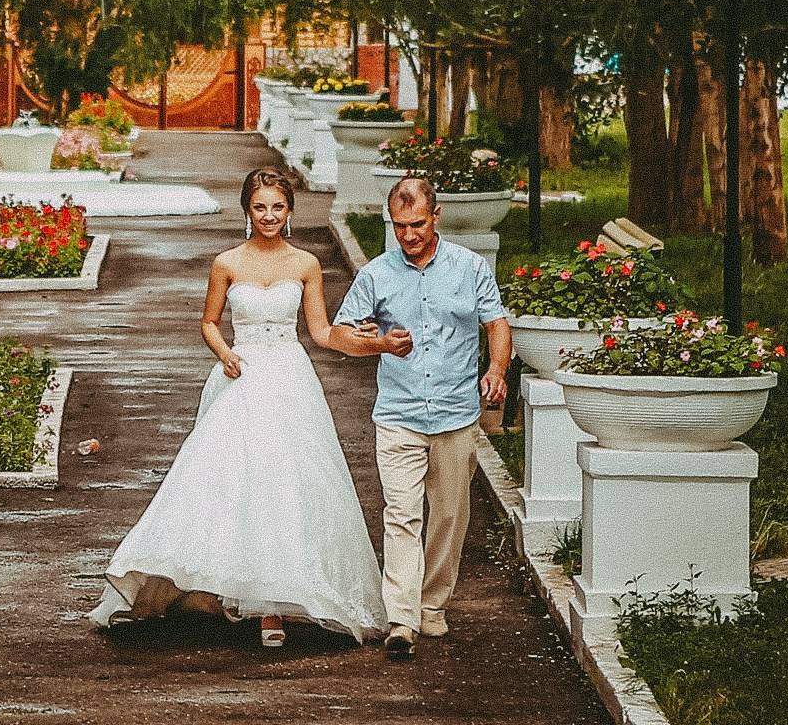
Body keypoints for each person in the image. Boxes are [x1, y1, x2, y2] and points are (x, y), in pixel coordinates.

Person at [91, 168, 391, 646]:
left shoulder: (306, 264)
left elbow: (320, 332)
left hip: (290, 378)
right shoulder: (226, 262)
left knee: (284, 483)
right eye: (260, 207)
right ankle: (176, 588)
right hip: (242, 373)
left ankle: (272, 605)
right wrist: (225, 352)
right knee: (220, 479)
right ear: (247, 211)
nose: (269, 216)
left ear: (290, 211)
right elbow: (209, 322)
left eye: (278, 207)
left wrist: (371, 344)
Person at [334, 173, 512, 659]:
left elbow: (496, 323)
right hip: (399, 412)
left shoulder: (470, 268)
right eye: (398, 226)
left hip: (456, 412)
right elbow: (340, 335)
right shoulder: (375, 275)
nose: (408, 235)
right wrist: (378, 343)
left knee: (450, 516)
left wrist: (496, 369)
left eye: (416, 224)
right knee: (402, 514)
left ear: (436, 216)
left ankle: (432, 604)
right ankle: (402, 619)